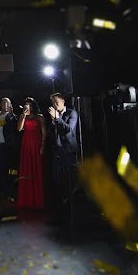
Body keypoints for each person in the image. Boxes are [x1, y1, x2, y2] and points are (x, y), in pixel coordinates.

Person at [48, 92, 79, 220]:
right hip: (57, 150)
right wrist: (53, 121)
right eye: (53, 103)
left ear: (63, 101)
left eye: (57, 102)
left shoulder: (71, 113)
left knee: (69, 179)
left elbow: (68, 130)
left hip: (68, 150)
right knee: (57, 179)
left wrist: (57, 118)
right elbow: (52, 132)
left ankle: (70, 207)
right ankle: (59, 207)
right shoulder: (54, 115)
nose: (55, 105)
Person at [16, 97, 45, 210]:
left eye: (28, 105)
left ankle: (37, 199)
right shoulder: (22, 116)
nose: (26, 107)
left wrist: (42, 147)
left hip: (36, 143)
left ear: (32, 106)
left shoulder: (40, 117)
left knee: (36, 169)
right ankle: (26, 198)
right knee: (26, 169)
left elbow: (44, 133)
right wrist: (23, 117)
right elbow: (19, 129)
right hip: (26, 144)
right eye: (25, 105)